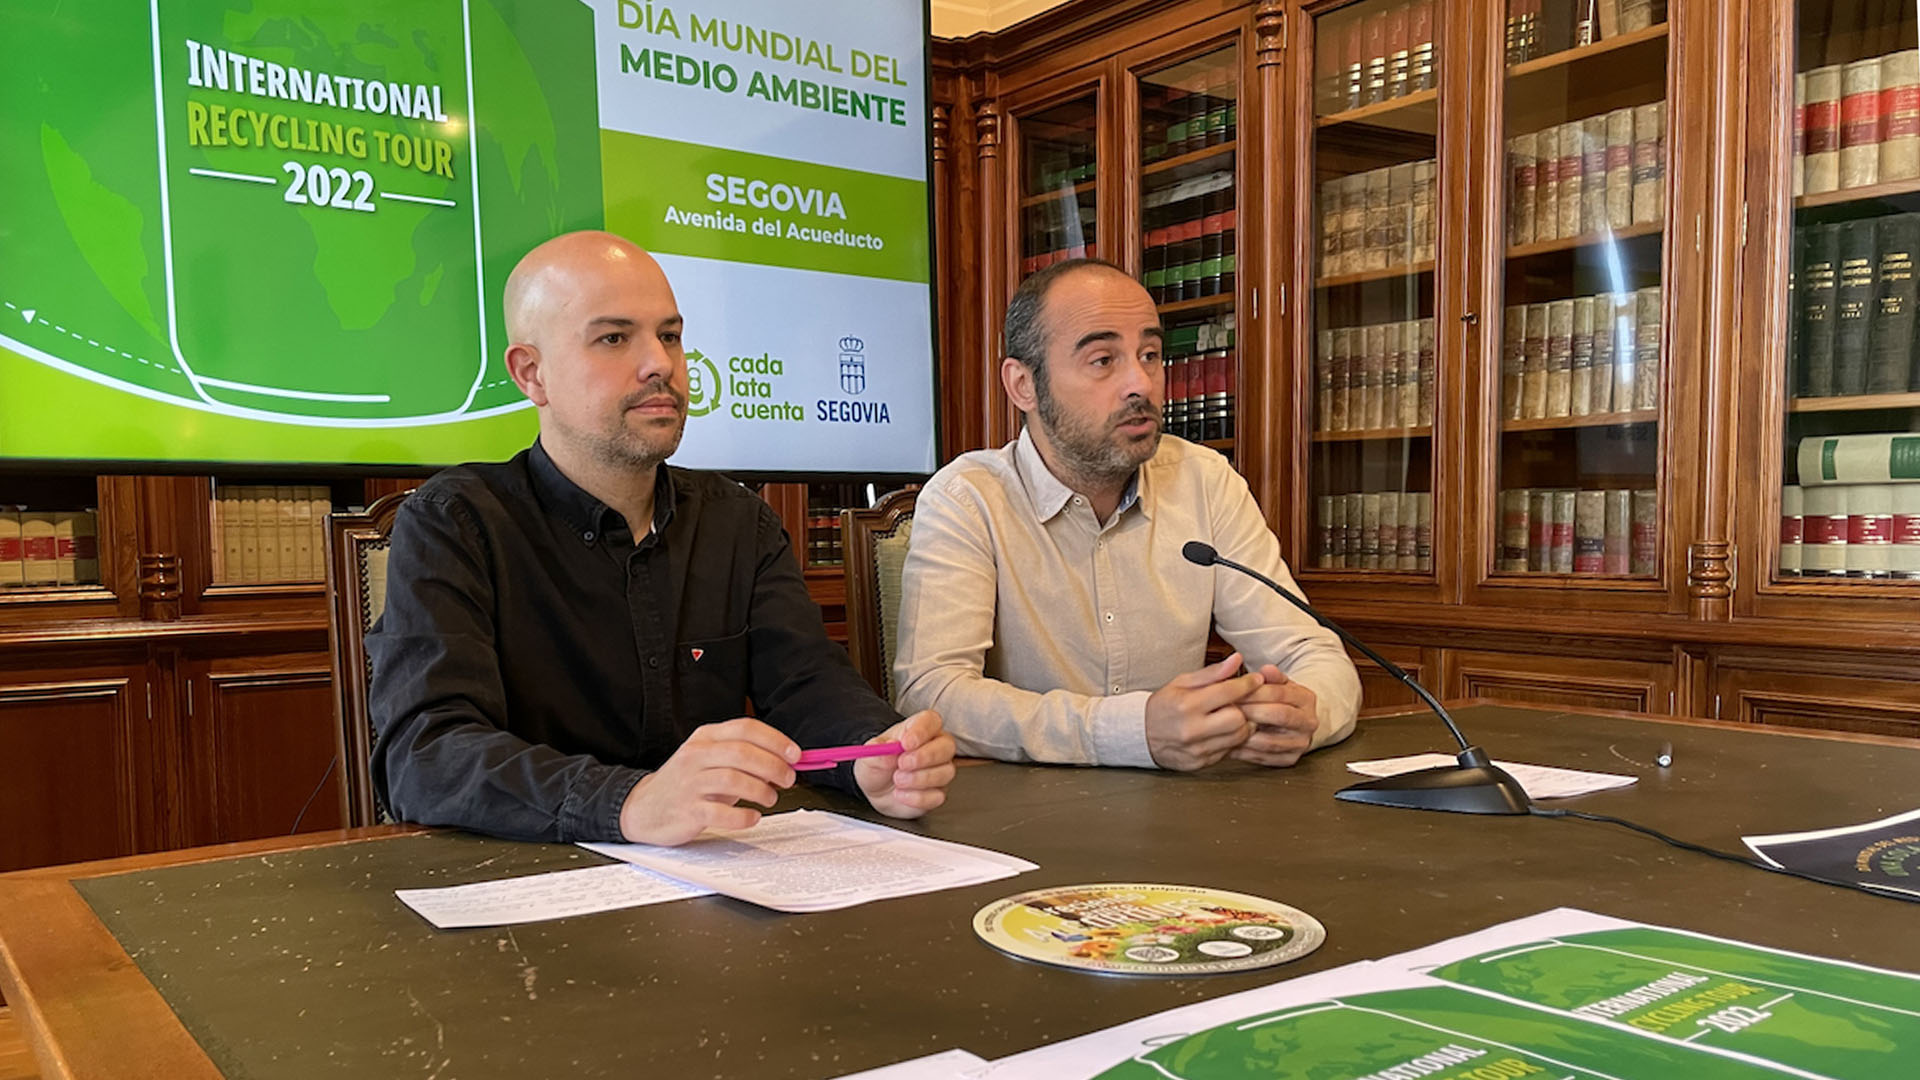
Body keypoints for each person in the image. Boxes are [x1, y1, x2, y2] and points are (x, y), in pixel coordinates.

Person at [368, 231, 956, 845]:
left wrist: (869, 754)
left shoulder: (738, 522)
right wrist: (630, 801)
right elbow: (426, 754)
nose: (661, 364)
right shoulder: (455, 522)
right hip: (527, 889)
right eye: (614, 338)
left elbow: (807, 683)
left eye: (669, 336)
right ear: (532, 374)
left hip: (714, 882)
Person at [893, 258, 1360, 771]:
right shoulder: (969, 498)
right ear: (1023, 384)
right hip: (1027, 818)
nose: (1141, 383)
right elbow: (931, 694)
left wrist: (1306, 713)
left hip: (1184, 817)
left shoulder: (1205, 482)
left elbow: (1313, 654)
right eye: (1103, 360)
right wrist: (1128, 733)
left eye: (1151, 355)